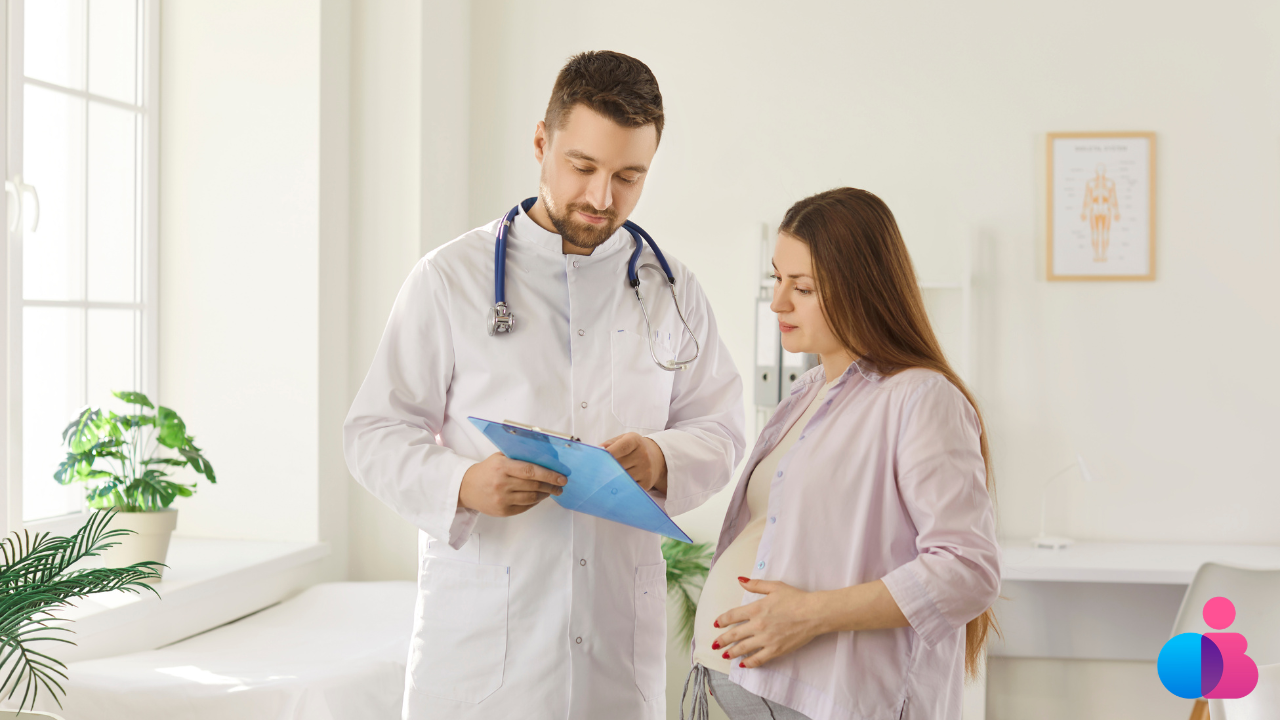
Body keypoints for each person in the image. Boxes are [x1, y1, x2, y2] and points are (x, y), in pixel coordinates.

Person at [343, 51, 745, 720]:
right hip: (481, 664)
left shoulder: (672, 288)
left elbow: (722, 428)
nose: (601, 198)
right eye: (583, 167)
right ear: (541, 142)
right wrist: (463, 484)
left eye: (628, 177)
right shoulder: (450, 279)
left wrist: (661, 457)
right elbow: (373, 432)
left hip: (615, 656)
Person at [682, 188, 1001, 720]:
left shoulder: (919, 397)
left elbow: (968, 570)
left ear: (861, 289)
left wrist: (808, 615)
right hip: (744, 693)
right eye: (776, 280)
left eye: (802, 288)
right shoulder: (805, 393)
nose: (779, 303)